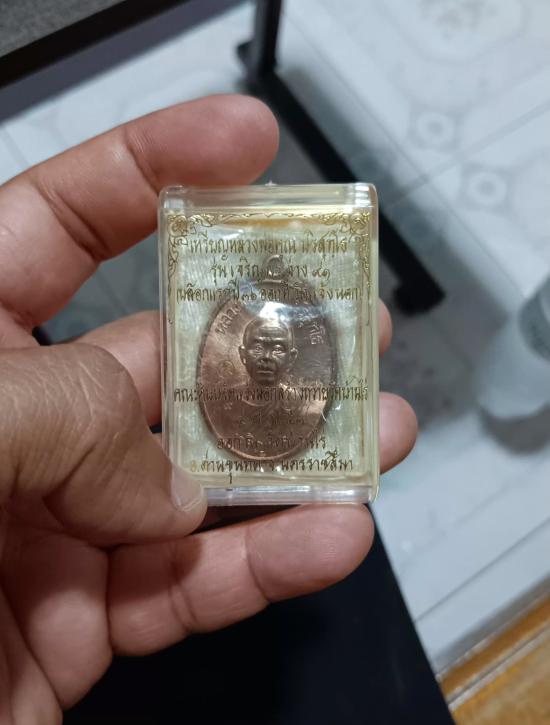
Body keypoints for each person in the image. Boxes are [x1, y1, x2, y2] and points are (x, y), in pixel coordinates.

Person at [0, 94, 417, 721]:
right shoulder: (213, 407)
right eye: (260, 344)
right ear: (241, 350)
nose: (270, 354)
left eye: (281, 345)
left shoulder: (313, 411)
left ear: (294, 350)